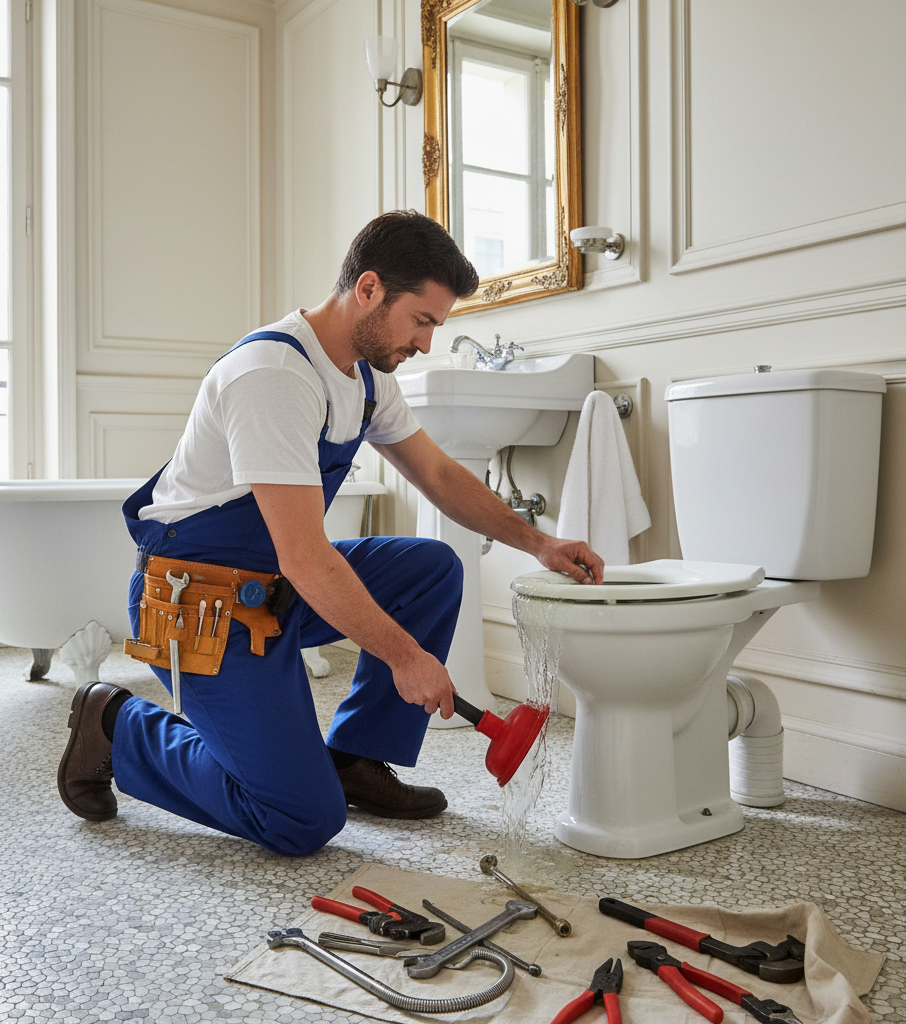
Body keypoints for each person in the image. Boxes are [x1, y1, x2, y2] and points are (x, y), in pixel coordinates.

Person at [57, 210, 604, 857]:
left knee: (429, 568)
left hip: (276, 589)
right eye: (422, 321)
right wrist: (406, 657)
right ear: (369, 289)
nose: (426, 344)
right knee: (299, 820)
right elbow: (306, 557)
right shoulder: (274, 375)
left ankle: (356, 761)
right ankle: (118, 727)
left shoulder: (366, 378)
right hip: (201, 606)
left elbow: (437, 473)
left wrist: (537, 543)